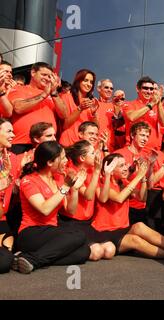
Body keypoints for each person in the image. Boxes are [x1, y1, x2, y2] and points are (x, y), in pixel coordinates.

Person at [14, 141, 90, 274]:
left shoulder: (59, 178)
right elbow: (44, 209)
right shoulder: (29, 180)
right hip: (31, 233)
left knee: (84, 252)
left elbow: (70, 211)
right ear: (50, 162)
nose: (66, 160)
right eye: (62, 158)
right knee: (78, 234)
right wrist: (66, 187)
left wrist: (75, 189)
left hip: (50, 233)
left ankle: (27, 258)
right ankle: (33, 259)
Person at [91, 153, 164, 260]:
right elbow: (119, 198)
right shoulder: (103, 185)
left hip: (122, 228)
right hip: (105, 233)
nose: (125, 168)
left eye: (125, 165)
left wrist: (143, 178)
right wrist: (138, 177)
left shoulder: (124, 182)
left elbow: (142, 198)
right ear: (110, 170)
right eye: (121, 166)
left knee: (139, 226)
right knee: (135, 240)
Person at [63, 140, 116, 260]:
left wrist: (107, 175)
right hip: (72, 222)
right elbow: (88, 195)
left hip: (87, 222)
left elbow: (102, 198)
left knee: (110, 250)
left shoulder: (91, 172)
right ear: (82, 158)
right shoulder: (71, 172)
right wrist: (97, 171)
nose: (96, 156)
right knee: (97, 252)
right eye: (92, 153)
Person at [8, 62, 67, 154]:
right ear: (33, 73)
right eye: (44, 75)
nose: (47, 78)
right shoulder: (20, 89)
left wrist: (54, 93)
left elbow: (64, 115)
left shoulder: (53, 95)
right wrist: (43, 95)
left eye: (49, 77)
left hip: (46, 145)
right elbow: (18, 108)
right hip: (22, 143)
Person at [115, 122, 152, 225]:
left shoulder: (146, 156)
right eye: (142, 135)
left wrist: (152, 167)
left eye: (147, 136)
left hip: (142, 206)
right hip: (124, 206)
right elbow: (115, 181)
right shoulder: (119, 154)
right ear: (132, 135)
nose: (145, 139)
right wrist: (131, 170)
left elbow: (150, 184)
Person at [123, 77, 164, 152]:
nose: (149, 91)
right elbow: (131, 117)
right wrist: (151, 104)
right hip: (135, 150)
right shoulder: (129, 104)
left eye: (151, 89)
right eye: (145, 88)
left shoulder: (156, 106)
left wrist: (159, 101)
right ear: (138, 89)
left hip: (153, 152)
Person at [59, 69, 100, 147]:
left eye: (91, 82)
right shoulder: (66, 97)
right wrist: (80, 108)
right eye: (85, 80)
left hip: (85, 146)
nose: (89, 84)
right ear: (78, 81)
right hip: (69, 142)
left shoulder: (92, 102)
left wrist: (94, 113)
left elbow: (96, 128)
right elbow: (65, 125)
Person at [0, 119, 20, 272]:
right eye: (9, 131)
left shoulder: (12, 158)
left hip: (3, 217)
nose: (13, 135)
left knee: (6, 257)